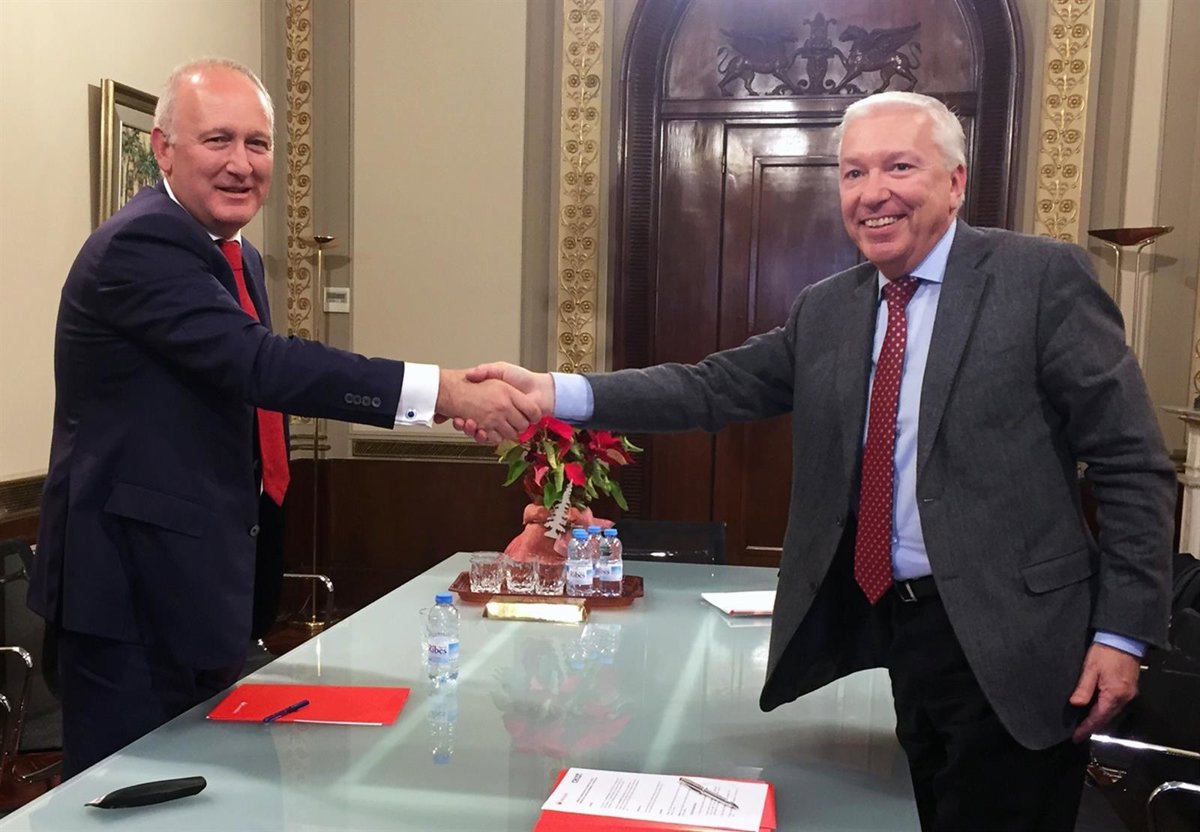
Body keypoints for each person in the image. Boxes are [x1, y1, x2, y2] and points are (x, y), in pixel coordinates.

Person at [458, 92, 1175, 830]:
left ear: (956, 182)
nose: (873, 193)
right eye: (854, 172)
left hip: (1023, 639)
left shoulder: (1039, 279)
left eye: (900, 167)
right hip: (897, 627)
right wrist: (551, 392)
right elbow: (710, 387)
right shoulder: (829, 308)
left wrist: (1122, 634)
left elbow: (1131, 462)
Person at [31, 58, 540, 777]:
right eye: (218, 140)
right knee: (129, 801)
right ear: (163, 148)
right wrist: (446, 392)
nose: (241, 164)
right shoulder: (141, 244)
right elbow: (263, 364)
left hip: (202, 589)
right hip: (129, 600)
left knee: (213, 800)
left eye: (258, 143)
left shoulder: (235, 257)